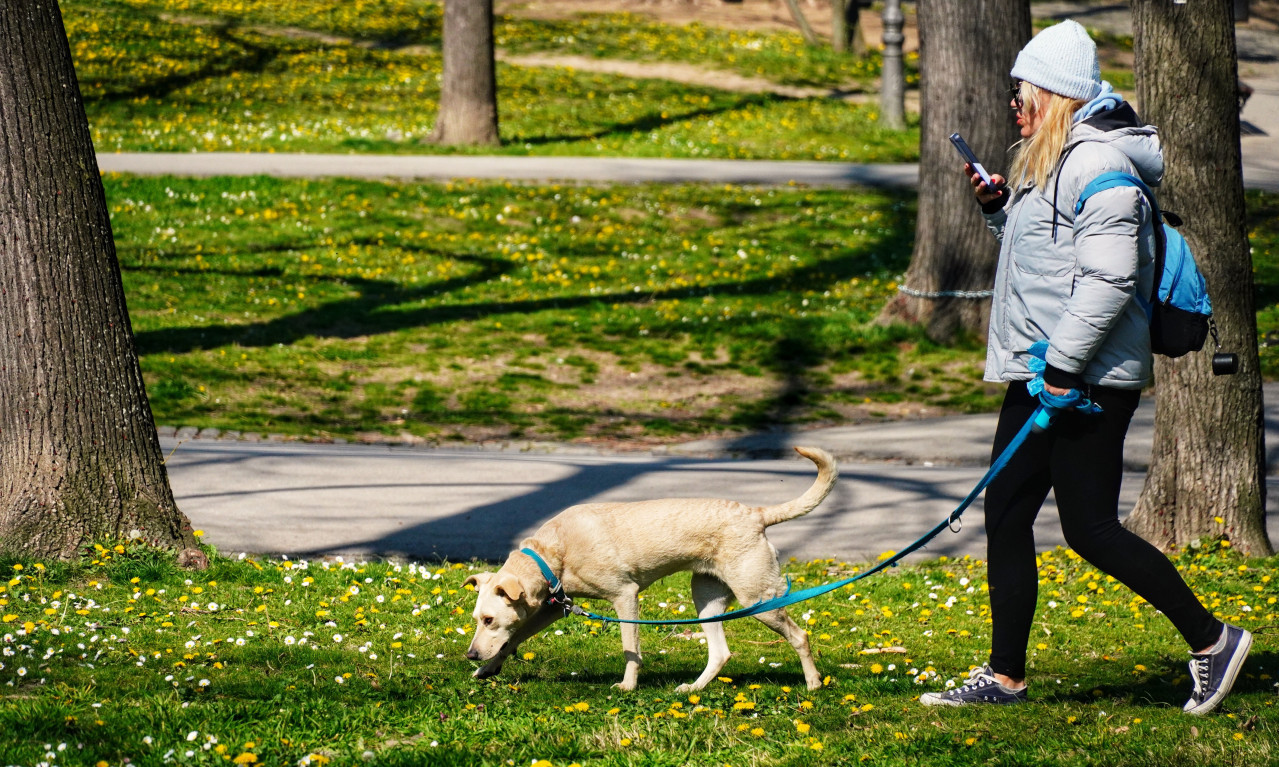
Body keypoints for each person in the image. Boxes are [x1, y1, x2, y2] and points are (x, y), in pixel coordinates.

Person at [919, 20, 1251, 714]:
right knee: (1005, 511)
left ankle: (1212, 639)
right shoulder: (1056, 156)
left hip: (1083, 379)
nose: (1013, 105)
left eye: (1022, 93)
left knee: (1088, 527)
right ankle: (1004, 675)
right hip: (1044, 367)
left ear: (1055, 94)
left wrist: (1065, 369)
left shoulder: (1100, 169)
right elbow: (1045, 258)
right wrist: (994, 211)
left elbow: (1106, 282)